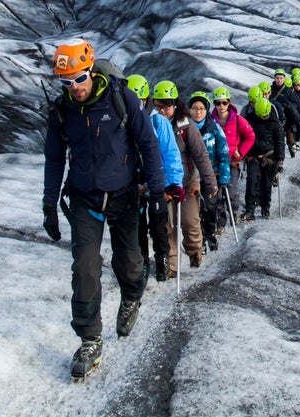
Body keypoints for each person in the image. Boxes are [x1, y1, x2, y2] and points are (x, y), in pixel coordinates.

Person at [43, 38, 167, 382]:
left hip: (125, 196)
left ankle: (131, 296)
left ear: (91, 71)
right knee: (84, 268)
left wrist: (157, 192)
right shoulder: (61, 111)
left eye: (78, 79)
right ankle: (89, 339)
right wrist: (49, 203)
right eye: (66, 82)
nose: (74, 88)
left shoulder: (121, 98)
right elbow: (54, 158)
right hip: (84, 200)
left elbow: (148, 144)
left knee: (128, 262)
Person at [152, 81, 217, 276]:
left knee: (189, 222)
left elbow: (201, 155)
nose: (162, 110)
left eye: (167, 106)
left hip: (188, 182)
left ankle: (194, 250)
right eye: (158, 106)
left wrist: (211, 182)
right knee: (168, 225)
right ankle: (172, 267)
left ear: (175, 104)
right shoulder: (152, 123)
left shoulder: (187, 126)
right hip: (166, 184)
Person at [125, 74, 184, 283]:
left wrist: (174, 183)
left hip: (157, 186)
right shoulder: (123, 124)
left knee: (158, 228)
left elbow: (170, 154)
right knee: (137, 228)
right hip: (134, 186)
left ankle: (162, 262)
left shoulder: (158, 122)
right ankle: (142, 264)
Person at [188, 91, 231, 251]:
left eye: (201, 108)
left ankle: (209, 234)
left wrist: (224, 177)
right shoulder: (184, 128)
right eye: (194, 108)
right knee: (193, 209)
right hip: (190, 175)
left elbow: (223, 153)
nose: (198, 111)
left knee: (210, 206)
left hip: (210, 174)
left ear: (206, 110)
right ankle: (199, 239)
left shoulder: (214, 129)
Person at [210, 86, 254, 233]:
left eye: (224, 102)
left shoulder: (237, 120)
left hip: (232, 163)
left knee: (230, 190)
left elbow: (250, 136)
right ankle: (220, 222)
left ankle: (234, 209)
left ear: (229, 103)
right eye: (218, 103)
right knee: (217, 194)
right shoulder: (210, 121)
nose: (221, 106)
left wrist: (240, 152)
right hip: (216, 163)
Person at [241, 97, 285, 221]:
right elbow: (245, 136)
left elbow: (280, 142)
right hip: (253, 156)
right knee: (252, 181)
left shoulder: (276, 124)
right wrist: (246, 153)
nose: (263, 118)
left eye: (264, 116)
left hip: (269, 157)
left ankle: (266, 208)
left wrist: (280, 160)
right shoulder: (250, 120)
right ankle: (250, 210)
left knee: (266, 183)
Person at [270, 68, 300, 158]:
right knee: (278, 140)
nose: (279, 80)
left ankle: (292, 151)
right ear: (274, 78)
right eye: (277, 78)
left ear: (284, 79)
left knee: (289, 138)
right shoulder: (270, 89)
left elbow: (296, 104)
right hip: (273, 119)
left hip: (287, 120)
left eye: (281, 78)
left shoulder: (288, 91)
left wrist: (287, 105)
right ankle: (279, 159)